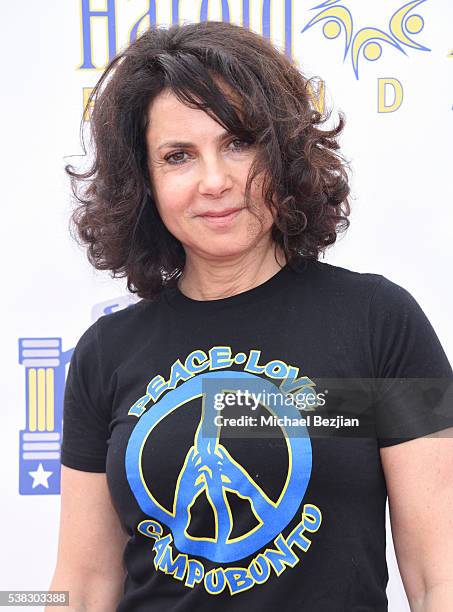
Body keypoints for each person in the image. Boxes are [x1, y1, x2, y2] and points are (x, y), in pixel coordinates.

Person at [48, 20, 453, 612]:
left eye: (239, 142)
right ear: (145, 183)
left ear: (283, 150)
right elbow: (78, 590)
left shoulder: (380, 321)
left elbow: (438, 574)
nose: (216, 181)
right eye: (179, 156)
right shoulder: (105, 352)